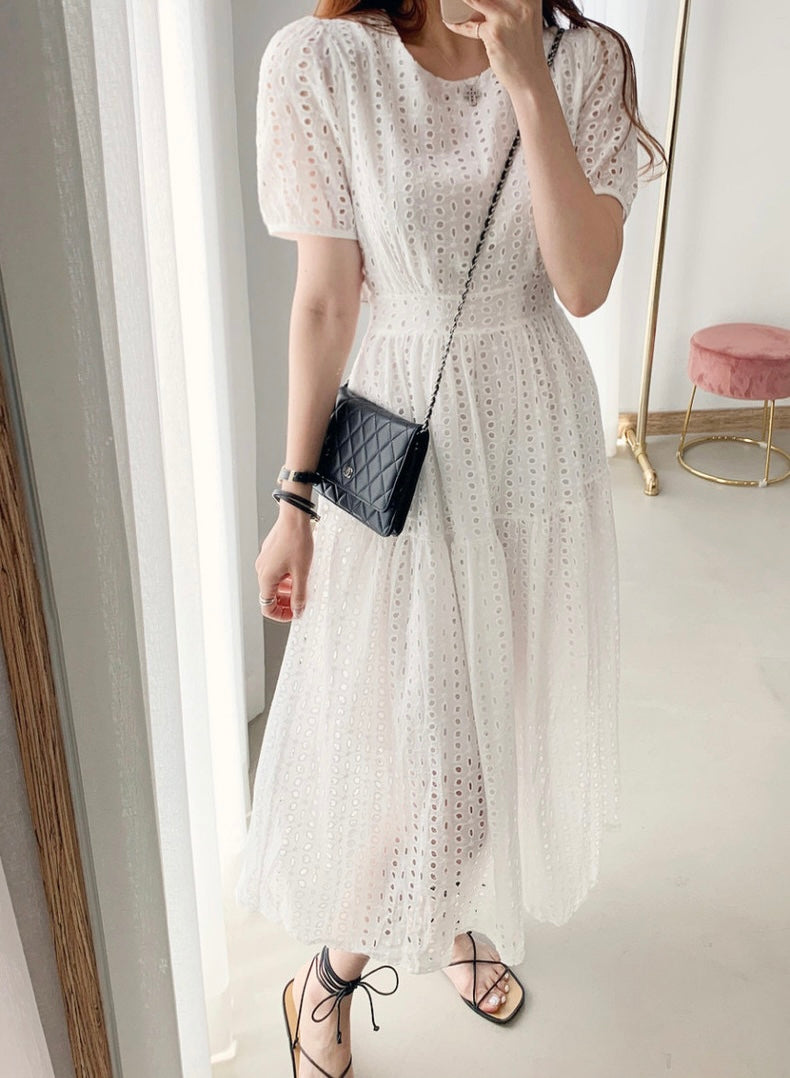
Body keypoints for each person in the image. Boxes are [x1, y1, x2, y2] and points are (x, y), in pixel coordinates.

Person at [235, 2, 664, 1075]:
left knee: (498, 710)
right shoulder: (326, 62)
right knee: (426, 746)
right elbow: (325, 304)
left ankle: (459, 916)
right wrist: (292, 502)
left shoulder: (585, 63)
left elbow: (581, 284)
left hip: (531, 433)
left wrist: (526, 77)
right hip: (405, 437)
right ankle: (326, 975)